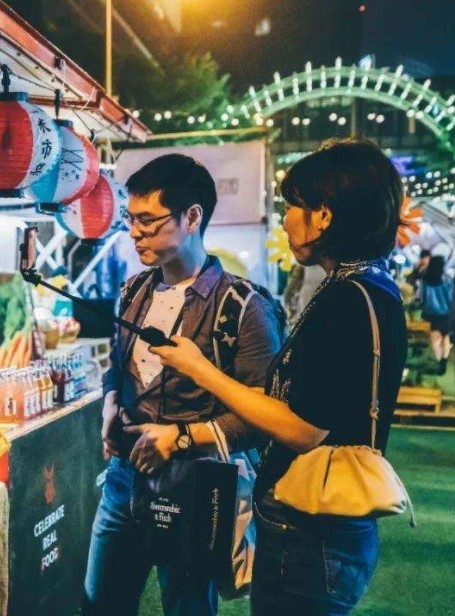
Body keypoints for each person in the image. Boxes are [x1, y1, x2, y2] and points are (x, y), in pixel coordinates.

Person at [151, 139, 407, 615]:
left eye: (292, 205)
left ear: (324, 216)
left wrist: (200, 369)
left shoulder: (347, 298)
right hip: (328, 528)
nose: (285, 219)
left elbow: (302, 427)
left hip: (312, 530)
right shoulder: (374, 286)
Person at [82, 154, 284, 616]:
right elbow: (118, 368)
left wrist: (178, 438)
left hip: (196, 487)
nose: (134, 232)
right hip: (123, 480)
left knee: (187, 606)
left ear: (192, 217)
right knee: (100, 603)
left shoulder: (243, 306)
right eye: (130, 220)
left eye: (149, 221)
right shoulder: (133, 290)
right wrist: (110, 405)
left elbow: (264, 414)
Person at [419, 255, 453, 375]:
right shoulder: (447, 279)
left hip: (432, 313)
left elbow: (420, 297)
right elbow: (450, 298)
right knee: (446, 336)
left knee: (435, 338)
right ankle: (444, 360)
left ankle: (439, 361)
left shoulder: (425, 279)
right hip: (446, 313)